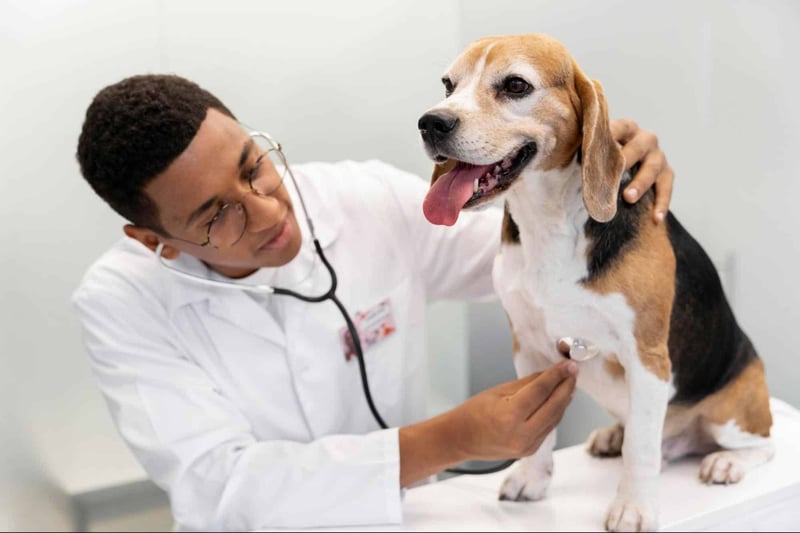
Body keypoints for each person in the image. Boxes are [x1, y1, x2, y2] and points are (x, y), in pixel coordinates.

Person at [72, 74, 674, 531]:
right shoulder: (121, 302)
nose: (267, 211)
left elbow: (531, 263)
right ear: (153, 239)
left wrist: (597, 167)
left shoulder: (362, 197)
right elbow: (217, 487)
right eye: (215, 215)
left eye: (253, 166)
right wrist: (451, 441)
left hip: (414, 514)